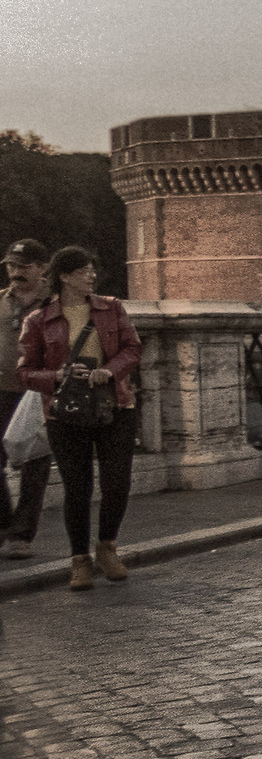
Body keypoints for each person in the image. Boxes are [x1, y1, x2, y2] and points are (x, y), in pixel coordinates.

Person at [15, 247, 141, 590]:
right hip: (66, 411)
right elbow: (26, 373)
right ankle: (79, 559)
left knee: (117, 482)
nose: (92, 276)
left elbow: (133, 348)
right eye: (84, 271)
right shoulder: (39, 320)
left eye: (92, 270)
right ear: (65, 276)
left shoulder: (112, 308)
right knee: (78, 487)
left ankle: (108, 547)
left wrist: (108, 371)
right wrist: (57, 377)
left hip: (114, 404)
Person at [2, 239, 53, 558]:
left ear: (42, 268)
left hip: (35, 393)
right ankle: (5, 523)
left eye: (23, 266)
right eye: (11, 265)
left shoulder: (56, 304)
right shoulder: (0, 301)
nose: (15, 272)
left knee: (35, 464)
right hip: (1, 389)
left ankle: (21, 535)